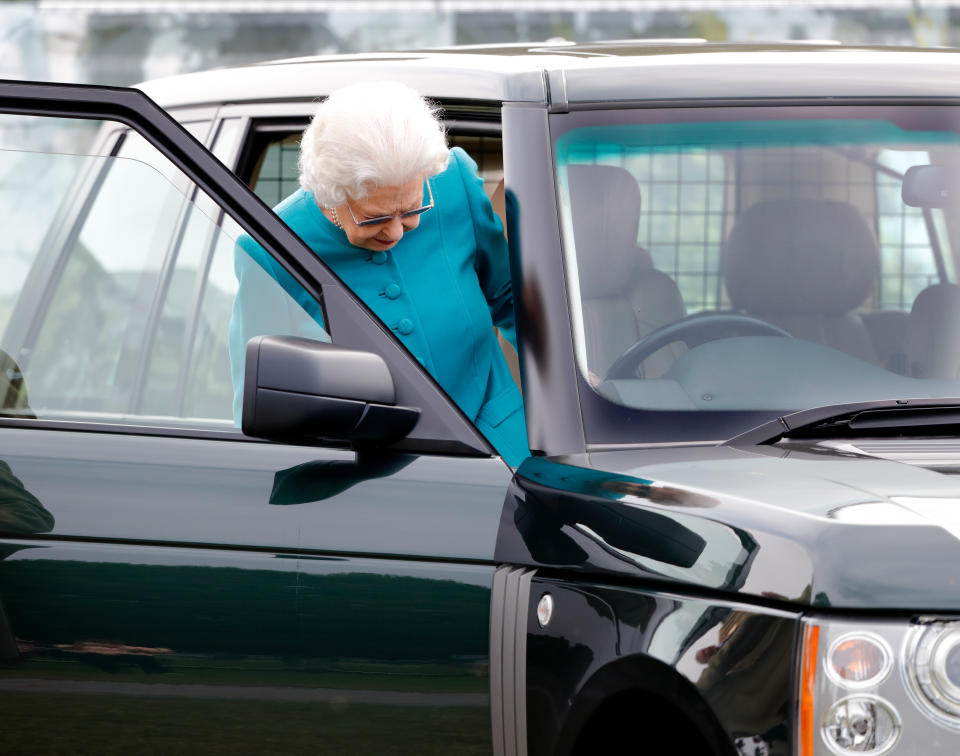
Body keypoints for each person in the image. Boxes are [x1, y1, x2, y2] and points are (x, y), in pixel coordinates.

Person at [228, 81, 528, 465]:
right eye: (376, 218)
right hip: (370, 483)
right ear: (330, 193)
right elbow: (264, 410)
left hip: (507, 452)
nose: (397, 231)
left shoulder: (455, 184)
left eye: (413, 209)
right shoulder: (270, 252)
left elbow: (512, 303)